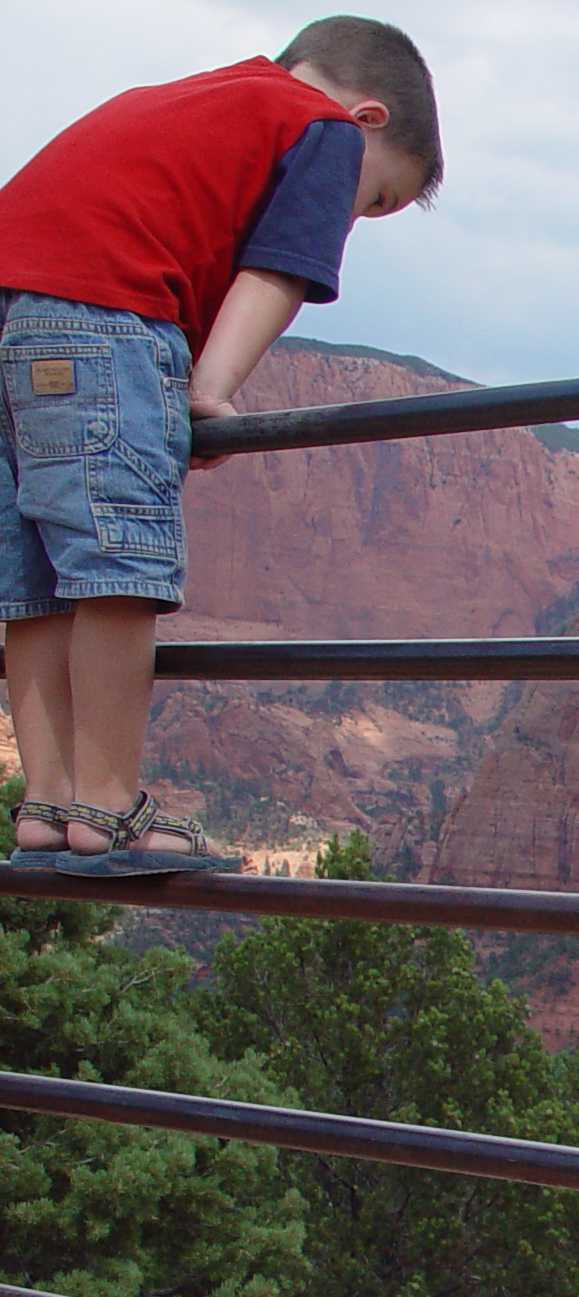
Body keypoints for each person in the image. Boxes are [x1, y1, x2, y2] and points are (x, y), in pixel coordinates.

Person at [0, 17, 441, 876]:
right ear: (371, 118)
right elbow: (278, 272)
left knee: (35, 585)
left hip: (13, 318)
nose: (361, 210)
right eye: (378, 199)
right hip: (100, 319)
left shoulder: (184, 99)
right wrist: (210, 389)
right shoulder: (324, 131)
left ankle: (48, 807)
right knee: (119, 567)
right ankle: (108, 807)